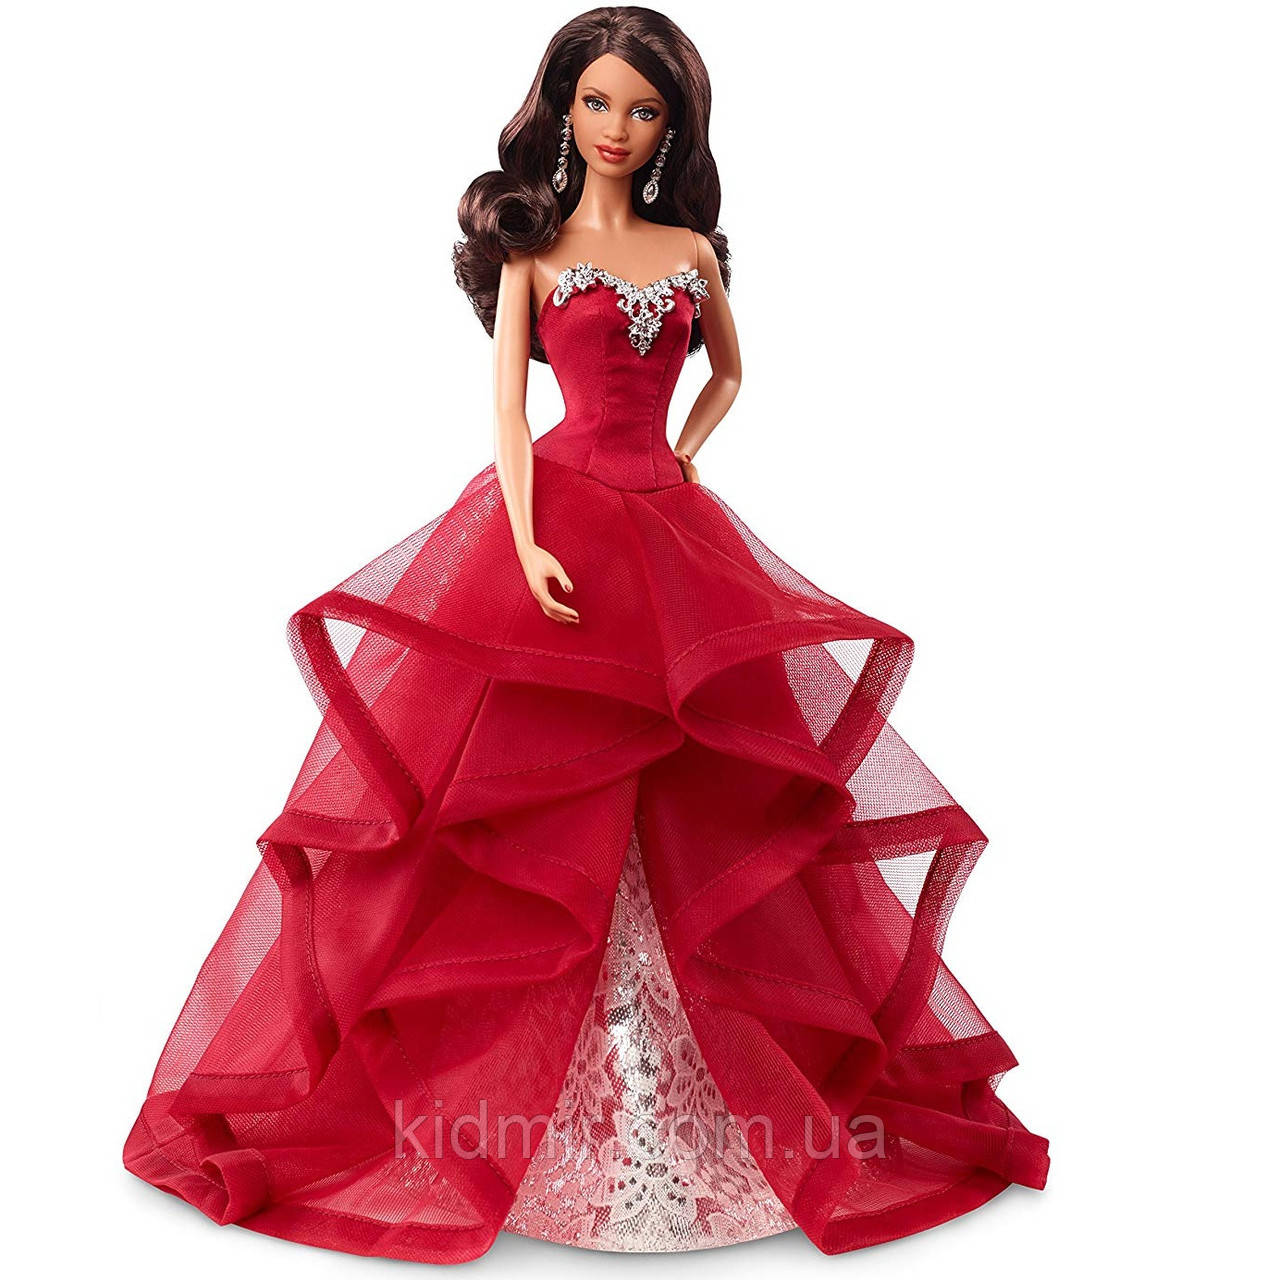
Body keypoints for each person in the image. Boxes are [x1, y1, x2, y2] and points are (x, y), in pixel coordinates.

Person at [124, 5, 1049, 1262]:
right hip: (556, 529)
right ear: (563, 111)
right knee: (528, 802)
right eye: (599, 103)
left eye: (644, 109)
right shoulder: (533, 251)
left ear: (674, 128)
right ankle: (531, 1101)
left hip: (669, 532)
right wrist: (524, 536)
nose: (618, 127)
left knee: (703, 797)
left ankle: (692, 1094)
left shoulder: (688, 251)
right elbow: (508, 414)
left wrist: (684, 452)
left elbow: (730, 373)